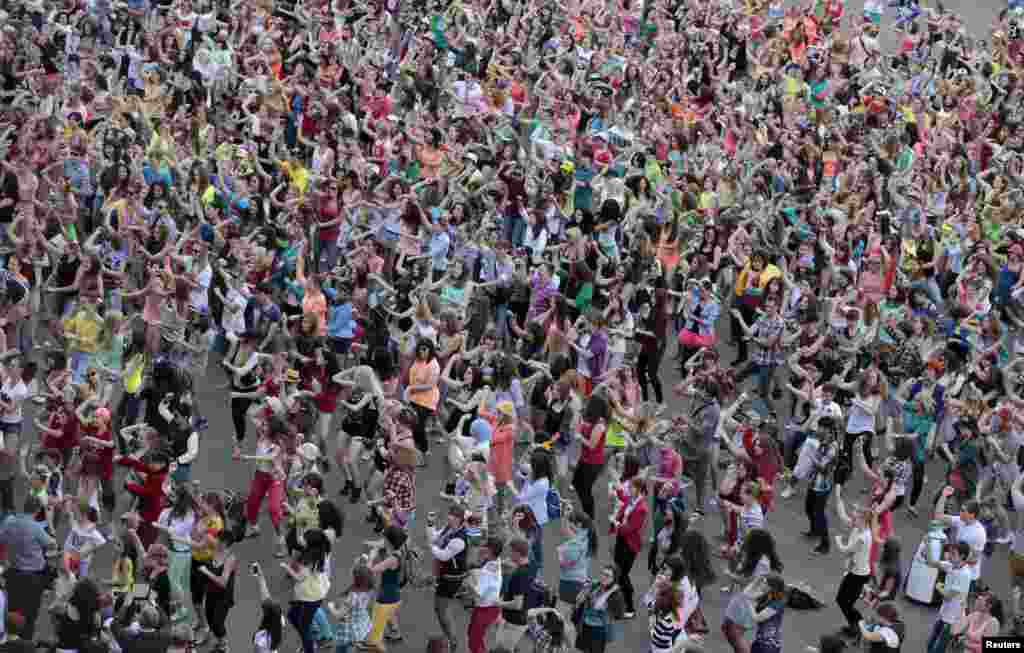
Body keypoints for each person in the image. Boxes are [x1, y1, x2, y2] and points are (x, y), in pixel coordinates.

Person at [0, 494, 54, 639]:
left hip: (13, 573)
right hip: (33, 578)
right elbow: (51, 543)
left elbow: (1, 538)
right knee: (30, 613)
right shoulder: (35, 527)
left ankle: (11, 640)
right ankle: (26, 643)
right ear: (36, 510)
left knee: (12, 609)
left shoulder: (9, 522)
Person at [428, 505, 469, 652]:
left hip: (452, 579)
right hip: (445, 575)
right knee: (440, 608)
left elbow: (443, 555)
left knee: (441, 609)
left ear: (460, 519)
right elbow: (434, 538)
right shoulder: (449, 528)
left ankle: (451, 640)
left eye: (454, 516)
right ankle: (449, 638)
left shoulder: (459, 540)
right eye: (450, 514)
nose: (449, 517)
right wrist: (430, 524)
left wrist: (431, 547)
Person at [365, 526, 406, 650]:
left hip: (386, 599)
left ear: (390, 541)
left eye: (385, 538)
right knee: (389, 613)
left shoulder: (392, 559)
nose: (383, 540)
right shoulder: (400, 550)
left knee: (375, 634)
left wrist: (371, 557)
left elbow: (370, 571)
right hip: (394, 595)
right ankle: (395, 633)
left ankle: (374, 645)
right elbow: (382, 544)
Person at [466, 537, 503, 653]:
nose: (481, 548)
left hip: (486, 610)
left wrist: (468, 581)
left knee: (474, 642)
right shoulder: (495, 560)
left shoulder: (488, 572)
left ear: (490, 551)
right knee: (474, 634)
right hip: (488, 607)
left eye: (485, 546)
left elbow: (476, 594)